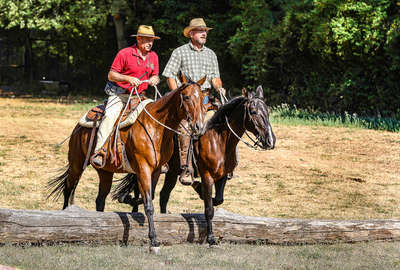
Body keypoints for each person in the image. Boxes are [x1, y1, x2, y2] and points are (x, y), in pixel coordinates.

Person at [162, 18, 226, 185]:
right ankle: (186, 168)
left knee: (222, 123)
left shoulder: (211, 54)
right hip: (187, 100)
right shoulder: (179, 52)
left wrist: (219, 87)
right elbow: (170, 75)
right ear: (191, 33)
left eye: (205, 31)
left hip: (205, 99)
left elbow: (215, 78)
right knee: (184, 128)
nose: (204, 33)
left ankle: (225, 164)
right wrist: (178, 94)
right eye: (200, 30)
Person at [92, 25, 160, 167]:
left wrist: (155, 79)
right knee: (110, 116)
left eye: (152, 40)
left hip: (140, 97)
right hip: (120, 95)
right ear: (139, 39)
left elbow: (155, 75)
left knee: (156, 117)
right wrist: (127, 78)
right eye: (147, 39)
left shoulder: (153, 56)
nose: (150, 43)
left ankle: (157, 154)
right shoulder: (125, 53)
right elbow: (111, 75)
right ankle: (100, 151)